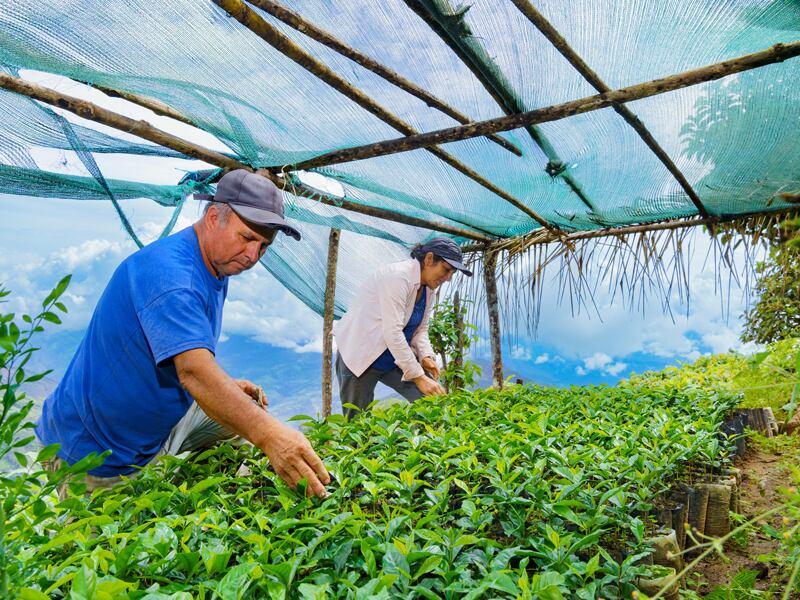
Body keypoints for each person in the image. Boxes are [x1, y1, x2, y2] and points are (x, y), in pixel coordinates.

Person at [36, 169, 330, 498]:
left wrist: (224, 386)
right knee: (114, 530)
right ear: (214, 217)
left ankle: (212, 497)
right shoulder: (173, 276)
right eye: (247, 238)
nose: (253, 256)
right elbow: (192, 371)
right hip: (96, 447)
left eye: (263, 246)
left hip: (157, 423)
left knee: (241, 416)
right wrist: (272, 437)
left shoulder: (215, 262)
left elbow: (179, 353)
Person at [334, 237, 473, 418]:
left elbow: (421, 329)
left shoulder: (428, 288)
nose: (448, 278)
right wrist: (419, 377)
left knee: (432, 403)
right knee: (358, 421)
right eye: (446, 270)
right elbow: (393, 332)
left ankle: (423, 436)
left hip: (395, 357)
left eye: (452, 273)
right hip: (361, 355)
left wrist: (426, 356)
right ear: (429, 259)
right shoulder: (398, 277)